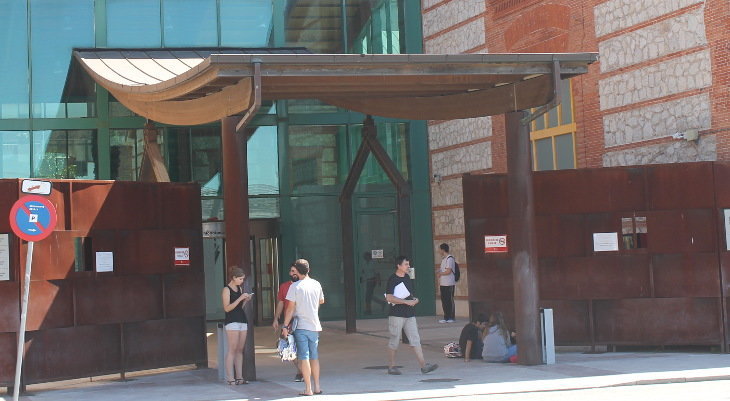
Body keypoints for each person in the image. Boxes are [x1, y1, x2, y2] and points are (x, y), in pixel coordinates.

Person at [385, 256, 438, 375]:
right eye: (406, 264)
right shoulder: (392, 279)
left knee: (415, 339)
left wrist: (414, 300)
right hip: (396, 314)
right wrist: (406, 302)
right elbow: (389, 297)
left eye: (408, 264)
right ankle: (392, 366)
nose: (408, 266)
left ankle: (424, 365)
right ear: (398, 266)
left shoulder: (408, 278)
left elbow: (409, 295)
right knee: (394, 339)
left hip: (409, 314)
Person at [282, 259, 325, 396]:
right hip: (314, 325)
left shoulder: (295, 286)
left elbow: (289, 309)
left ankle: (308, 388)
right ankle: (317, 386)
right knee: (315, 356)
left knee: (304, 357)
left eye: (294, 270)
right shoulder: (316, 284)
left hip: (300, 325)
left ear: (298, 271)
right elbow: (321, 300)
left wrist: (284, 325)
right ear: (308, 270)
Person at [221, 266, 253, 385]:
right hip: (232, 321)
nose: (242, 281)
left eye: (243, 279)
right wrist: (240, 298)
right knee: (232, 349)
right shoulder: (226, 289)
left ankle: (240, 377)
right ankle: (230, 377)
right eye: (240, 279)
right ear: (233, 278)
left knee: (240, 349)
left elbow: (239, 308)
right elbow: (227, 308)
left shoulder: (239, 288)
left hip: (242, 320)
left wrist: (245, 300)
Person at [273, 264, 303, 382]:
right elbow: (281, 303)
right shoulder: (284, 286)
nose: (293, 273)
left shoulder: (305, 286)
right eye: (291, 271)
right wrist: (276, 318)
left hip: (303, 320)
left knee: (302, 348)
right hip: (289, 322)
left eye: (295, 271)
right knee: (288, 348)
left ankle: (302, 372)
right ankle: (301, 370)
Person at [436, 243, 456, 323]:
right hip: (443, 283)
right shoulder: (443, 259)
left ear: (443, 250)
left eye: (439, 249)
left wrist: (440, 273)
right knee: (444, 300)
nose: (439, 251)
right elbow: (443, 270)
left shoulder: (450, 258)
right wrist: (439, 271)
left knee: (449, 300)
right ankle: (446, 317)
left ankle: (451, 317)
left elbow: (448, 271)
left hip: (449, 283)